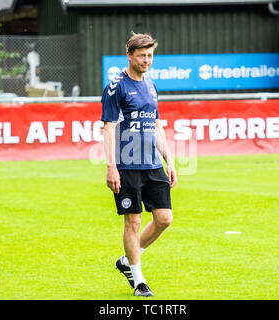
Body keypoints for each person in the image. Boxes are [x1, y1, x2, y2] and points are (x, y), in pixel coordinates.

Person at [101, 32, 177, 297]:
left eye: (150, 56)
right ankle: (138, 280)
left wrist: (169, 160)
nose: (147, 60)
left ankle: (127, 262)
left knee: (164, 219)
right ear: (129, 55)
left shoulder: (152, 86)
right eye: (142, 55)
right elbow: (108, 128)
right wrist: (111, 166)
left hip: (152, 164)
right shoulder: (116, 86)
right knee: (132, 222)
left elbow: (156, 125)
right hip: (126, 165)